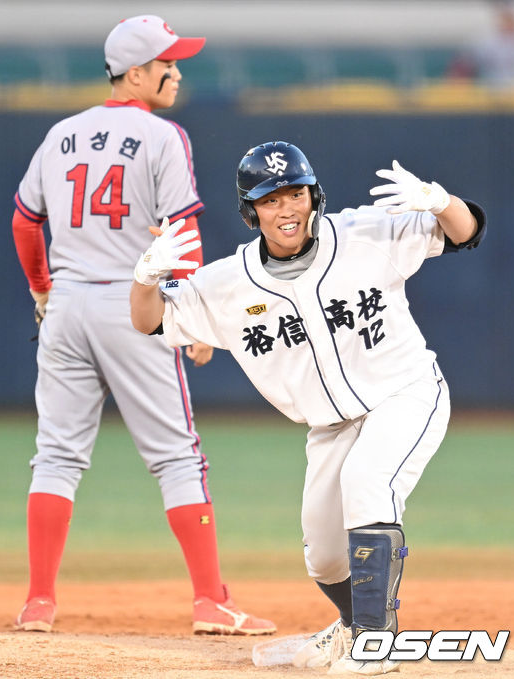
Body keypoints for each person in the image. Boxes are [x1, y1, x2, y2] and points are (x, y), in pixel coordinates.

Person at [130, 140, 486, 674]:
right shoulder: (228, 283)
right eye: (271, 200)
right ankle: (350, 626)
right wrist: (144, 279)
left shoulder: (364, 233)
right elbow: (149, 321)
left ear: (313, 195)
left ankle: (374, 642)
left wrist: (439, 201)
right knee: (322, 554)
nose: (287, 209)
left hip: (406, 392)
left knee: (368, 482)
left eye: (295, 193)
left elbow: (467, 232)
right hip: (330, 426)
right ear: (252, 211)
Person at [12, 15, 275, 637]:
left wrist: (43, 290)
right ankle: (212, 602)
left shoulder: (60, 135)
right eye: (167, 64)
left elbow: (26, 223)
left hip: (68, 306)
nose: (177, 73)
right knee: (179, 459)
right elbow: (181, 232)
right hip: (133, 307)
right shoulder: (163, 137)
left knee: (54, 457)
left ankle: (38, 603)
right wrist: (194, 316)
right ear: (136, 73)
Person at [447, 1, 514, 88]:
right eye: (505, 18)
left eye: (511, 18)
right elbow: (462, 66)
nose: (509, 22)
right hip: (490, 90)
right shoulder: (485, 42)